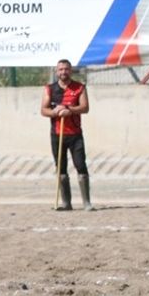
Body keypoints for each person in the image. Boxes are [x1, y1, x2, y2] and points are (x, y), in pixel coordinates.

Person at [39, 59, 92, 211]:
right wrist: (54, 112)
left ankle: (86, 203)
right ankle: (66, 203)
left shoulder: (79, 87)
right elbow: (44, 110)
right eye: (61, 69)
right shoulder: (49, 89)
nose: (63, 72)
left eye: (66, 69)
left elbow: (85, 107)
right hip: (57, 134)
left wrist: (69, 109)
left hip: (75, 134)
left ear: (70, 70)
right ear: (57, 72)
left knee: (81, 166)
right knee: (61, 168)